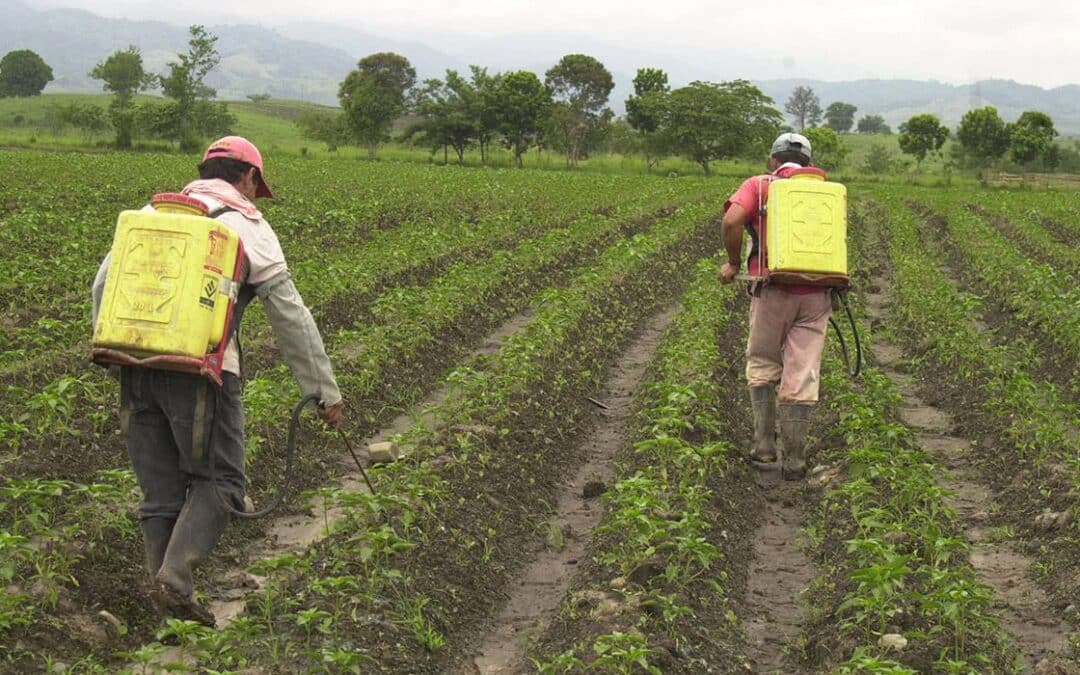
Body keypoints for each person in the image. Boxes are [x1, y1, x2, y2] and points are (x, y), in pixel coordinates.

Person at [91, 136, 345, 624]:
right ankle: (175, 581)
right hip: (204, 373)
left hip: (134, 366)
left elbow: (102, 285)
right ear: (247, 178)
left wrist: (117, 353)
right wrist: (322, 391)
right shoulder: (245, 224)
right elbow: (289, 314)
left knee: (161, 492)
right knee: (223, 481)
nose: (255, 196)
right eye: (256, 186)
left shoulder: (153, 211)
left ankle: (167, 607)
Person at [719, 132, 832, 480]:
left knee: (764, 360)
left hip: (770, 289)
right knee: (803, 370)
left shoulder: (759, 185)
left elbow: (731, 221)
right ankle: (795, 461)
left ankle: (764, 446)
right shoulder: (825, 192)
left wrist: (734, 263)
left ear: (773, 160)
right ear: (809, 165)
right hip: (817, 294)